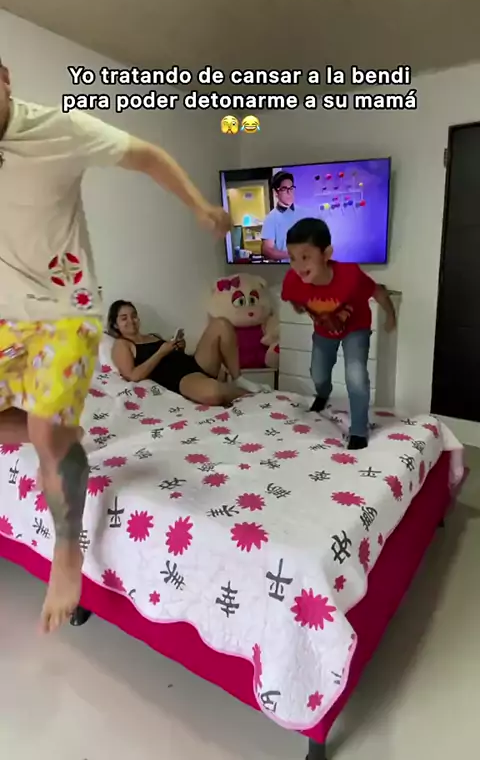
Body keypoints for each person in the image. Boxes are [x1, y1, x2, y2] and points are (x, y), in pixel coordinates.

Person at [0, 57, 230, 633]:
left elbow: (146, 155)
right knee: (45, 431)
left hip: (66, 310)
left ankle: (67, 554)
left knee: (47, 432)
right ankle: (58, 435)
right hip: (7, 315)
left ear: (5, 79)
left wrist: (200, 206)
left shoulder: (57, 130)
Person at [281, 218, 396, 449]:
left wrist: (391, 317)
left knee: (356, 376)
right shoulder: (293, 281)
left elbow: (378, 292)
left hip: (356, 328)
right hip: (323, 331)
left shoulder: (350, 275)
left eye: (305, 257)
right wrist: (299, 306)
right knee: (318, 374)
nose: (298, 266)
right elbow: (292, 299)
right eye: (292, 258)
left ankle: (359, 431)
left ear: (326, 254)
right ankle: (323, 394)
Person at [108, 301, 264, 403]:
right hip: (181, 379)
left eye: (134, 316)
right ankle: (248, 394)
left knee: (221, 324)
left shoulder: (153, 336)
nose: (131, 320)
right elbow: (133, 375)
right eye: (124, 318)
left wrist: (178, 347)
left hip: (193, 363)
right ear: (115, 324)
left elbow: (171, 357)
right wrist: (161, 352)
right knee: (214, 394)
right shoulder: (122, 344)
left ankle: (238, 378)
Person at [261, 171, 305, 261]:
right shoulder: (271, 218)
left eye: (291, 188)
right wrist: (292, 254)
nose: (289, 192)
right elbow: (267, 250)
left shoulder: (304, 213)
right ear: (275, 192)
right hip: (284, 267)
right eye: (284, 189)